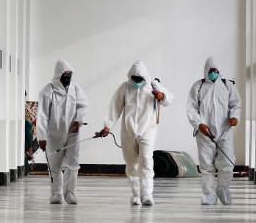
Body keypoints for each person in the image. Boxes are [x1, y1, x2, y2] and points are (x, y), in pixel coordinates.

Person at [96, 60, 174, 206]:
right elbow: (115, 107)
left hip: (148, 130)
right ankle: (136, 195)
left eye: (140, 79)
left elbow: (169, 98)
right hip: (128, 131)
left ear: (145, 77)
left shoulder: (153, 85)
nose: (137, 81)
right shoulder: (125, 87)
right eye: (134, 79)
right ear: (130, 76)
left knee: (146, 160)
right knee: (131, 164)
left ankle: (147, 194)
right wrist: (107, 126)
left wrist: (161, 96)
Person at [186, 56, 241, 205]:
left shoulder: (227, 85)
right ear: (205, 71)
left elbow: (235, 105)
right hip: (205, 132)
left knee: (228, 163)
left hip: (225, 131)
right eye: (210, 70)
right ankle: (208, 195)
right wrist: (199, 124)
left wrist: (234, 117)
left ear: (219, 71)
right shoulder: (198, 86)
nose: (212, 73)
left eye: (215, 70)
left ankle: (222, 188)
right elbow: (191, 108)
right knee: (206, 166)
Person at [36, 60, 89, 204]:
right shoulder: (48, 90)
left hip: (73, 133)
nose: (68, 77)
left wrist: (78, 120)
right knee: (55, 165)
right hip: (54, 134)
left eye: (70, 74)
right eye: (65, 74)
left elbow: (83, 105)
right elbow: (42, 116)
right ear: (58, 74)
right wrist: (41, 137)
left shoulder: (75, 89)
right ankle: (56, 194)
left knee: (73, 163)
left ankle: (70, 193)